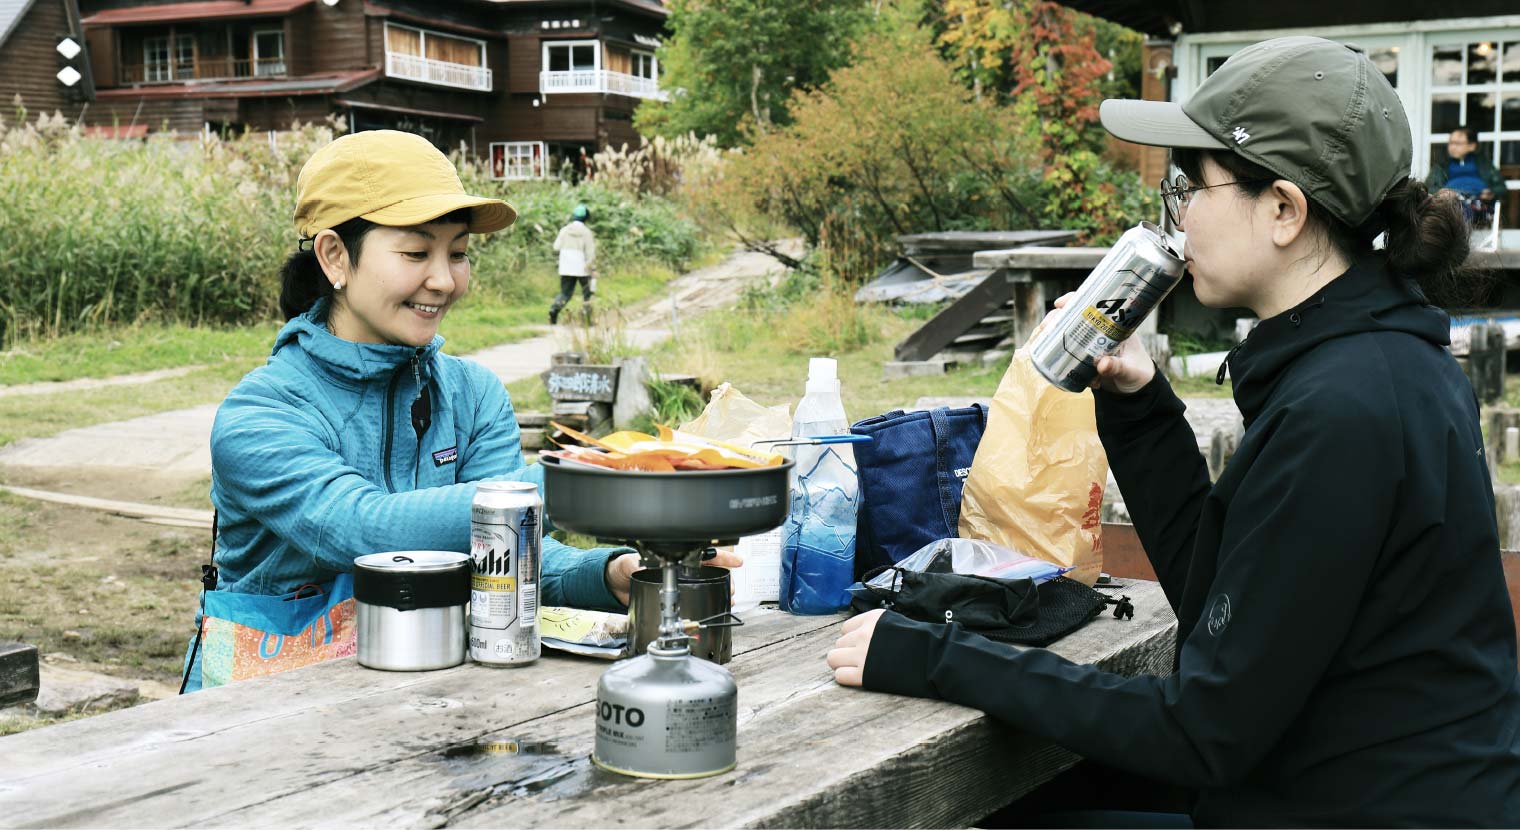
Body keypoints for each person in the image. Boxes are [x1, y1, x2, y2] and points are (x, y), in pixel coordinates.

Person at [827, 37, 1520, 826]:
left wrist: (933, 654)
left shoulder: (1344, 412)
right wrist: (1139, 403)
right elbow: (1228, 599)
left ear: (1285, 211)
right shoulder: (1377, 365)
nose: (1179, 215)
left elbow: (1205, 732)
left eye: (1192, 185)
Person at [181, 131, 695, 692]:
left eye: (458, 253)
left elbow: (506, 555)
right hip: (263, 709)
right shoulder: (261, 412)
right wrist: (596, 478)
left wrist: (607, 574)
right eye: (416, 253)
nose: (444, 280)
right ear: (335, 256)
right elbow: (360, 527)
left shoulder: (472, 395)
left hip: (426, 698)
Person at [1426, 125, 1508, 224]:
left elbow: (1501, 187)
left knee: (1463, 209)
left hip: (1478, 201)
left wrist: (1491, 192)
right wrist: (1442, 193)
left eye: (1458, 143)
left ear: (1472, 146)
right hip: (1450, 201)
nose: (1452, 147)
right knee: (1453, 207)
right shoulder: (1442, 165)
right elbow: (1429, 188)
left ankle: (1459, 227)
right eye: (1451, 143)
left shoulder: (1483, 163)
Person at [549, 204, 597, 325]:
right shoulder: (586, 232)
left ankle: (554, 309)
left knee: (565, 293)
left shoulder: (564, 230)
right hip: (582, 267)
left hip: (566, 266)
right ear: (586, 218)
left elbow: (556, 247)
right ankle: (586, 320)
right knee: (587, 293)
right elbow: (590, 253)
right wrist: (592, 268)